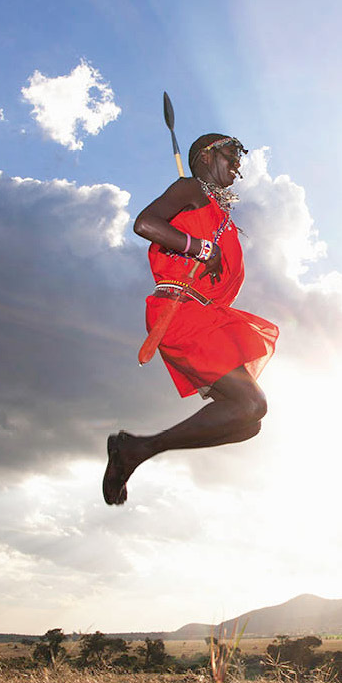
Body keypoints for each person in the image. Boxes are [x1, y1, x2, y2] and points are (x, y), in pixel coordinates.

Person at [104, 133, 278, 505]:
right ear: (204, 156)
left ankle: (136, 449)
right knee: (252, 405)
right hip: (184, 312)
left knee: (248, 424)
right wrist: (198, 247)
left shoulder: (216, 210)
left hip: (206, 316)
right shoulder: (189, 189)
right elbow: (145, 224)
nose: (238, 163)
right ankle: (137, 450)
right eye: (231, 154)